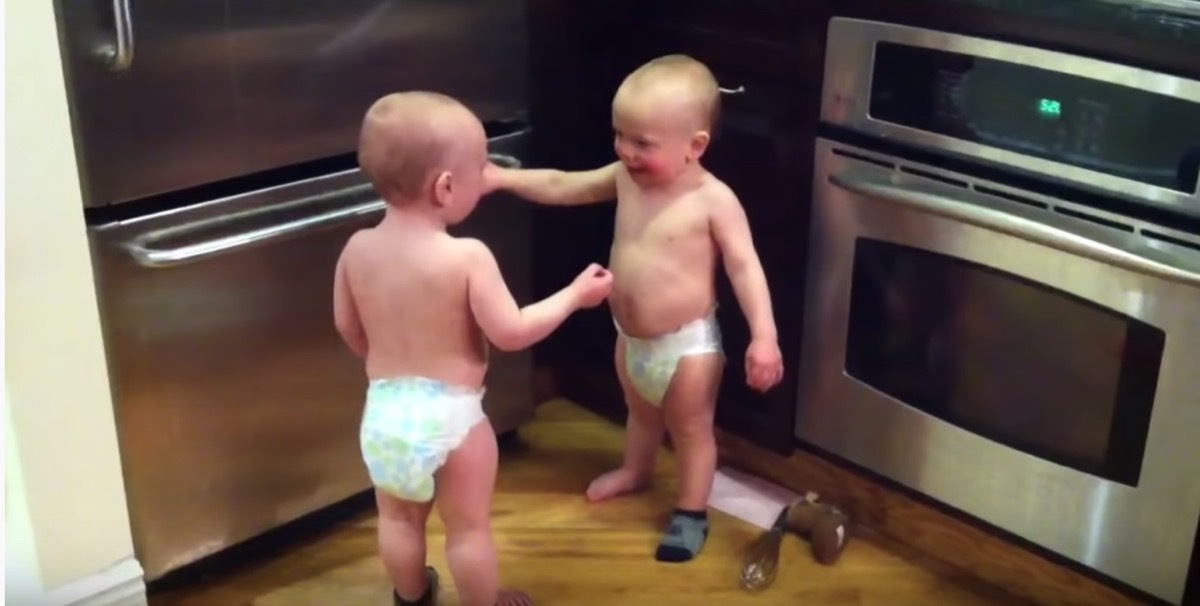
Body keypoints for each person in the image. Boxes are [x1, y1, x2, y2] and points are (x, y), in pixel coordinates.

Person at [486, 55, 784, 563]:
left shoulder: (713, 200)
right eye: (620, 134)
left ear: (695, 147)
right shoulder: (625, 176)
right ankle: (636, 470)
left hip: (687, 346)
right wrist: (501, 179)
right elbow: (564, 184)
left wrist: (764, 335)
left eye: (642, 142)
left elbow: (744, 267)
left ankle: (691, 513)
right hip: (632, 339)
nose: (625, 150)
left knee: (692, 431)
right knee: (641, 416)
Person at [333, 91, 613, 606]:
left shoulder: (356, 249)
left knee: (397, 519)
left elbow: (350, 331)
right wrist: (575, 296)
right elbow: (512, 332)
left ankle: (411, 597)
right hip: (452, 417)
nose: (485, 179)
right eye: (480, 169)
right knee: (467, 530)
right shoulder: (466, 257)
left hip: (386, 411)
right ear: (444, 188)